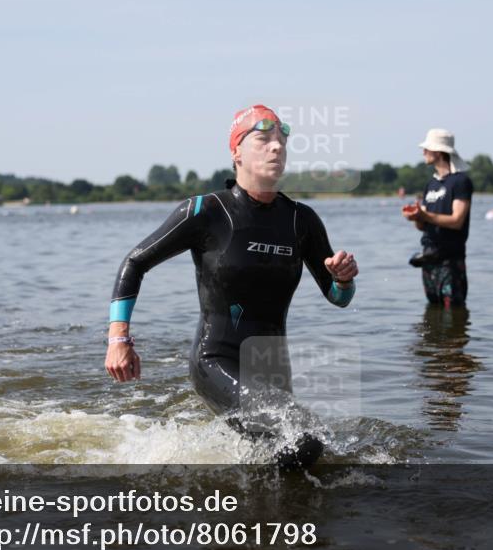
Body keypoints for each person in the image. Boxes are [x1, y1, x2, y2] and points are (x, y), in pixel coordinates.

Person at [105, 104, 358, 467]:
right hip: (216, 361)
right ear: (236, 152)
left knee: (288, 454)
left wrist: (343, 279)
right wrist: (118, 339)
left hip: (272, 366)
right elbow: (135, 262)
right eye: (263, 139)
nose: (276, 148)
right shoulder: (205, 212)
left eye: (282, 142)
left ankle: (261, 516)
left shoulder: (301, 220)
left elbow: (338, 298)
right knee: (304, 438)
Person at [402, 128, 473, 308]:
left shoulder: (460, 181)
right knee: (433, 313)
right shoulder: (431, 184)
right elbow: (422, 225)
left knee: (453, 316)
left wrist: (424, 215)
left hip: (450, 261)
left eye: (427, 148)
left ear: (439, 152)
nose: (423, 152)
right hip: (428, 258)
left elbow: (457, 221)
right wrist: (416, 217)